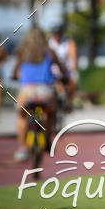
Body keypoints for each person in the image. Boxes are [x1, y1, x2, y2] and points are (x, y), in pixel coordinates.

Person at [12, 27, 67, 161]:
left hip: (27, 91)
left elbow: (15, 72)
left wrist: (15, 77)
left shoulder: (22, 52)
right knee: (51, 111)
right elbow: (62, 69)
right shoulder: (50, 52)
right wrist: (64, 77)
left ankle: (22, 148)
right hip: (45, 90)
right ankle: (48, 137)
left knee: (22, 115)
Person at [49, 25, 78, 106]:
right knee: (57, 82)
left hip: (66, 69)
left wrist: (73, 67)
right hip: (53, 69)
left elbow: (73, 57)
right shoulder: (49, 43)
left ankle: (68, 102)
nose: (57, 35)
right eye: (55, 34)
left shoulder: (68, 43)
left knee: (73, 83)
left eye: (58, 33)